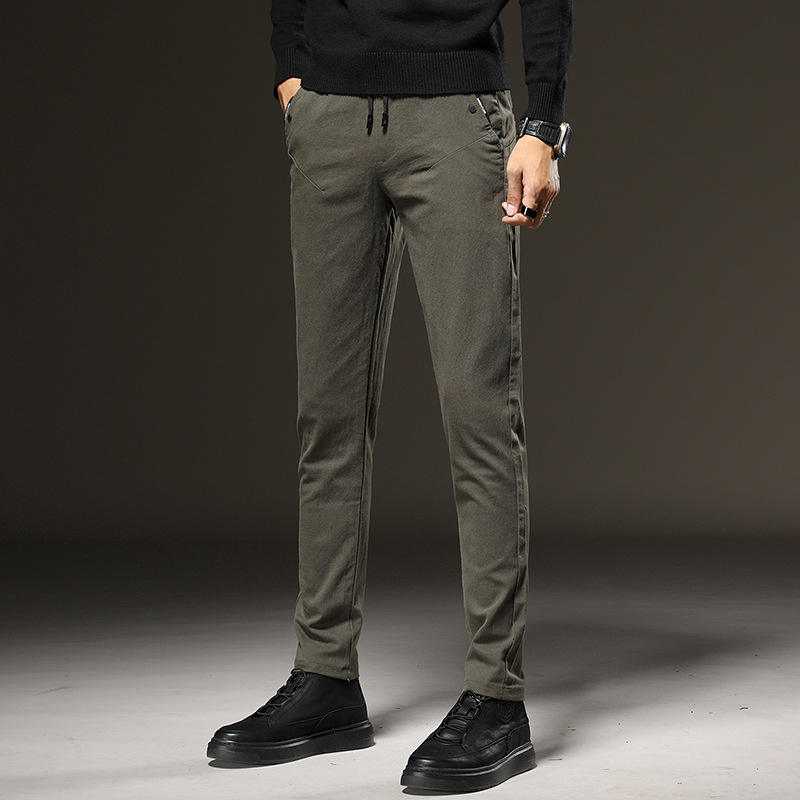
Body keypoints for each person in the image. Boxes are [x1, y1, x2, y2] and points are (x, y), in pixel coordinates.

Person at [207, 0, 573, 791]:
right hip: (331, 119)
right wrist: (292, 74)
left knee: (479, 412)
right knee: (328, 416)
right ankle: (325, 679)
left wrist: (543, 125)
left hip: (456, 118)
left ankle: (497, 695)